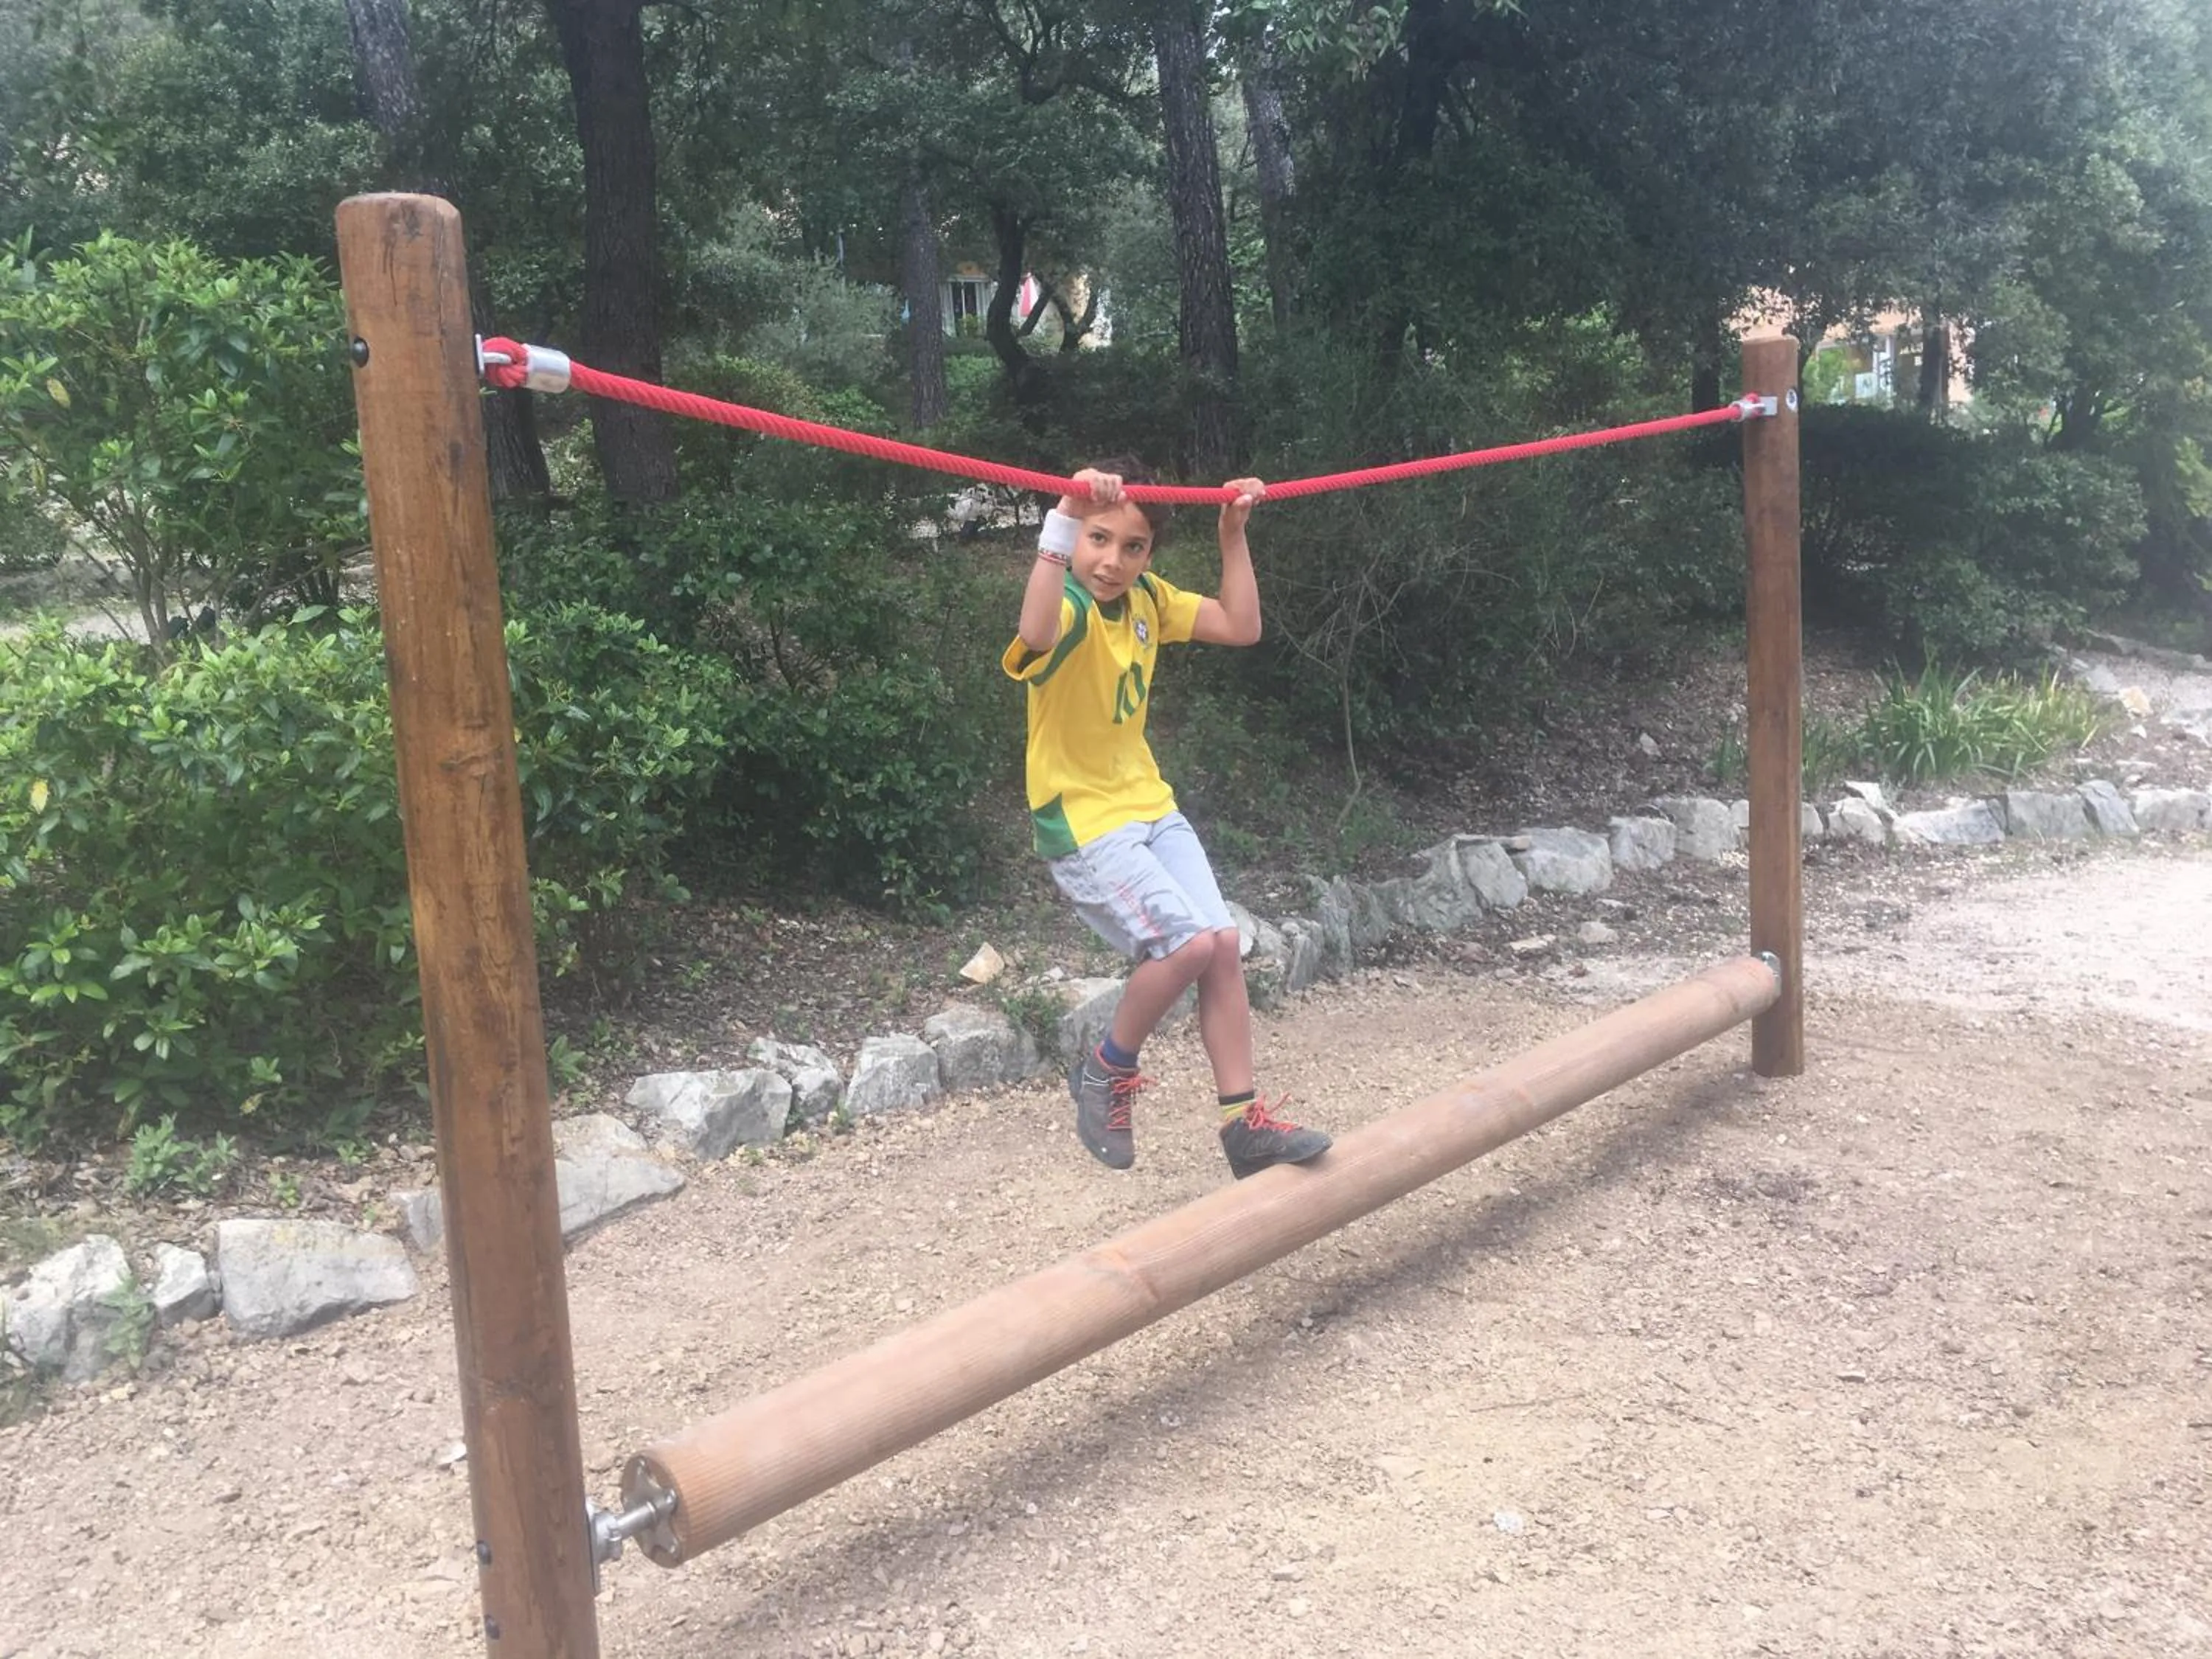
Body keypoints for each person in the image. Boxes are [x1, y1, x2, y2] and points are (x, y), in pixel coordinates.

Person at [1002, 458, 1332, 1180]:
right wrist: (1061, 509)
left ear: (1150, 553)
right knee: (1182, 944)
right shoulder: (1070, 608)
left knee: (1218, 944)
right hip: (1083, 821)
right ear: (1074, 537)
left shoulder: (1148, 601)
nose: (1112, 561)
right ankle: (1105, 1071)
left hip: (1148, 806)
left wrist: (1233, 534)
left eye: (1132, 546)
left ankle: (1242, 1124)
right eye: (1098, 538)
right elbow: (1033, 625)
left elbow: (1241, 625)